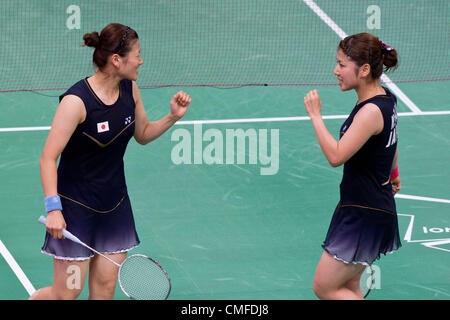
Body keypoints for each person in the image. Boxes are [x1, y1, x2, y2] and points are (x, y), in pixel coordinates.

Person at [30, 23, 191, 300]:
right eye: (137, 54)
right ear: (117, 60)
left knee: (105, 290)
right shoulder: (76, 102)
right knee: (66, 293)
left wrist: (172, 116)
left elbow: (142, 134)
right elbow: (47, 157)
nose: (141, 60)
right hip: (75, 211)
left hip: (114, 207)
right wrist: (53, 208)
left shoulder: (130, 89)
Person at [303, 33, 402, 300]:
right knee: (348, 288)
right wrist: (393, 173)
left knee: (324, 287)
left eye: (342, 65)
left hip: (364, 213)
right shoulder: (387, 98)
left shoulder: (370, 112)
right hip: (362, 206)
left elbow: (336, 156)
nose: (336, 71)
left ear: (364, 69)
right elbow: (390, 140)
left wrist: (315, 116)